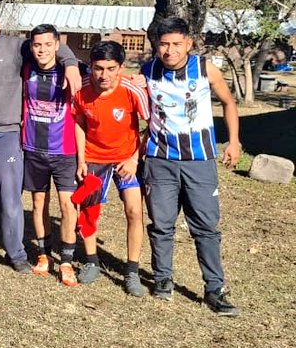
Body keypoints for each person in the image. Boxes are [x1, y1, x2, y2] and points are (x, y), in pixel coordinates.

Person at [0, 3, 80, 273]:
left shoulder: (15, 47)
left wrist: (70, 65)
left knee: (9, 199)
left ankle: (16, 254)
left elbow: (52, 43)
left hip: (4, 135)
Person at [142, 16, 240, 316]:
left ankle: (215, 289)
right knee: (161, 225)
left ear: (188, 43)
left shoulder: (205, 69)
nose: (169, 50)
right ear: (157, 45)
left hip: (199, 161)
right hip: (160, 161)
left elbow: (228, 102)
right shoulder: (148, 70)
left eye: (175, 44)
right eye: (163, 44)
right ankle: (163, 280)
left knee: (206, 228)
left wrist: (234, 141)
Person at [72, 41, 150, 295]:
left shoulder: (131, 90)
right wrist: (81, 159)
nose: (103, 75)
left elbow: (152, 125)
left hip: (126, 159)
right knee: (89, 212)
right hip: (94, 159)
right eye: (98, 68)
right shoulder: (82, 90)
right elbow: (79, 123)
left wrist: (134, 159)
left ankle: (132, 271)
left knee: (134, 212)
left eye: (110, 68)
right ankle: (92, 261)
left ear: (120, 68)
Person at [21, 24, 81, 286]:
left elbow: (106, 78)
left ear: (57, 44)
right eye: (37, 45)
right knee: (38, 204)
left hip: (65, 151)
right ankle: (43, 254)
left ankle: (66, 260)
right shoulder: (25, 67)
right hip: (34, 149)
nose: (42, 49)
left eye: (48, 44)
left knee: (68, 206)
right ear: (31, 46)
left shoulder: (74, 69)